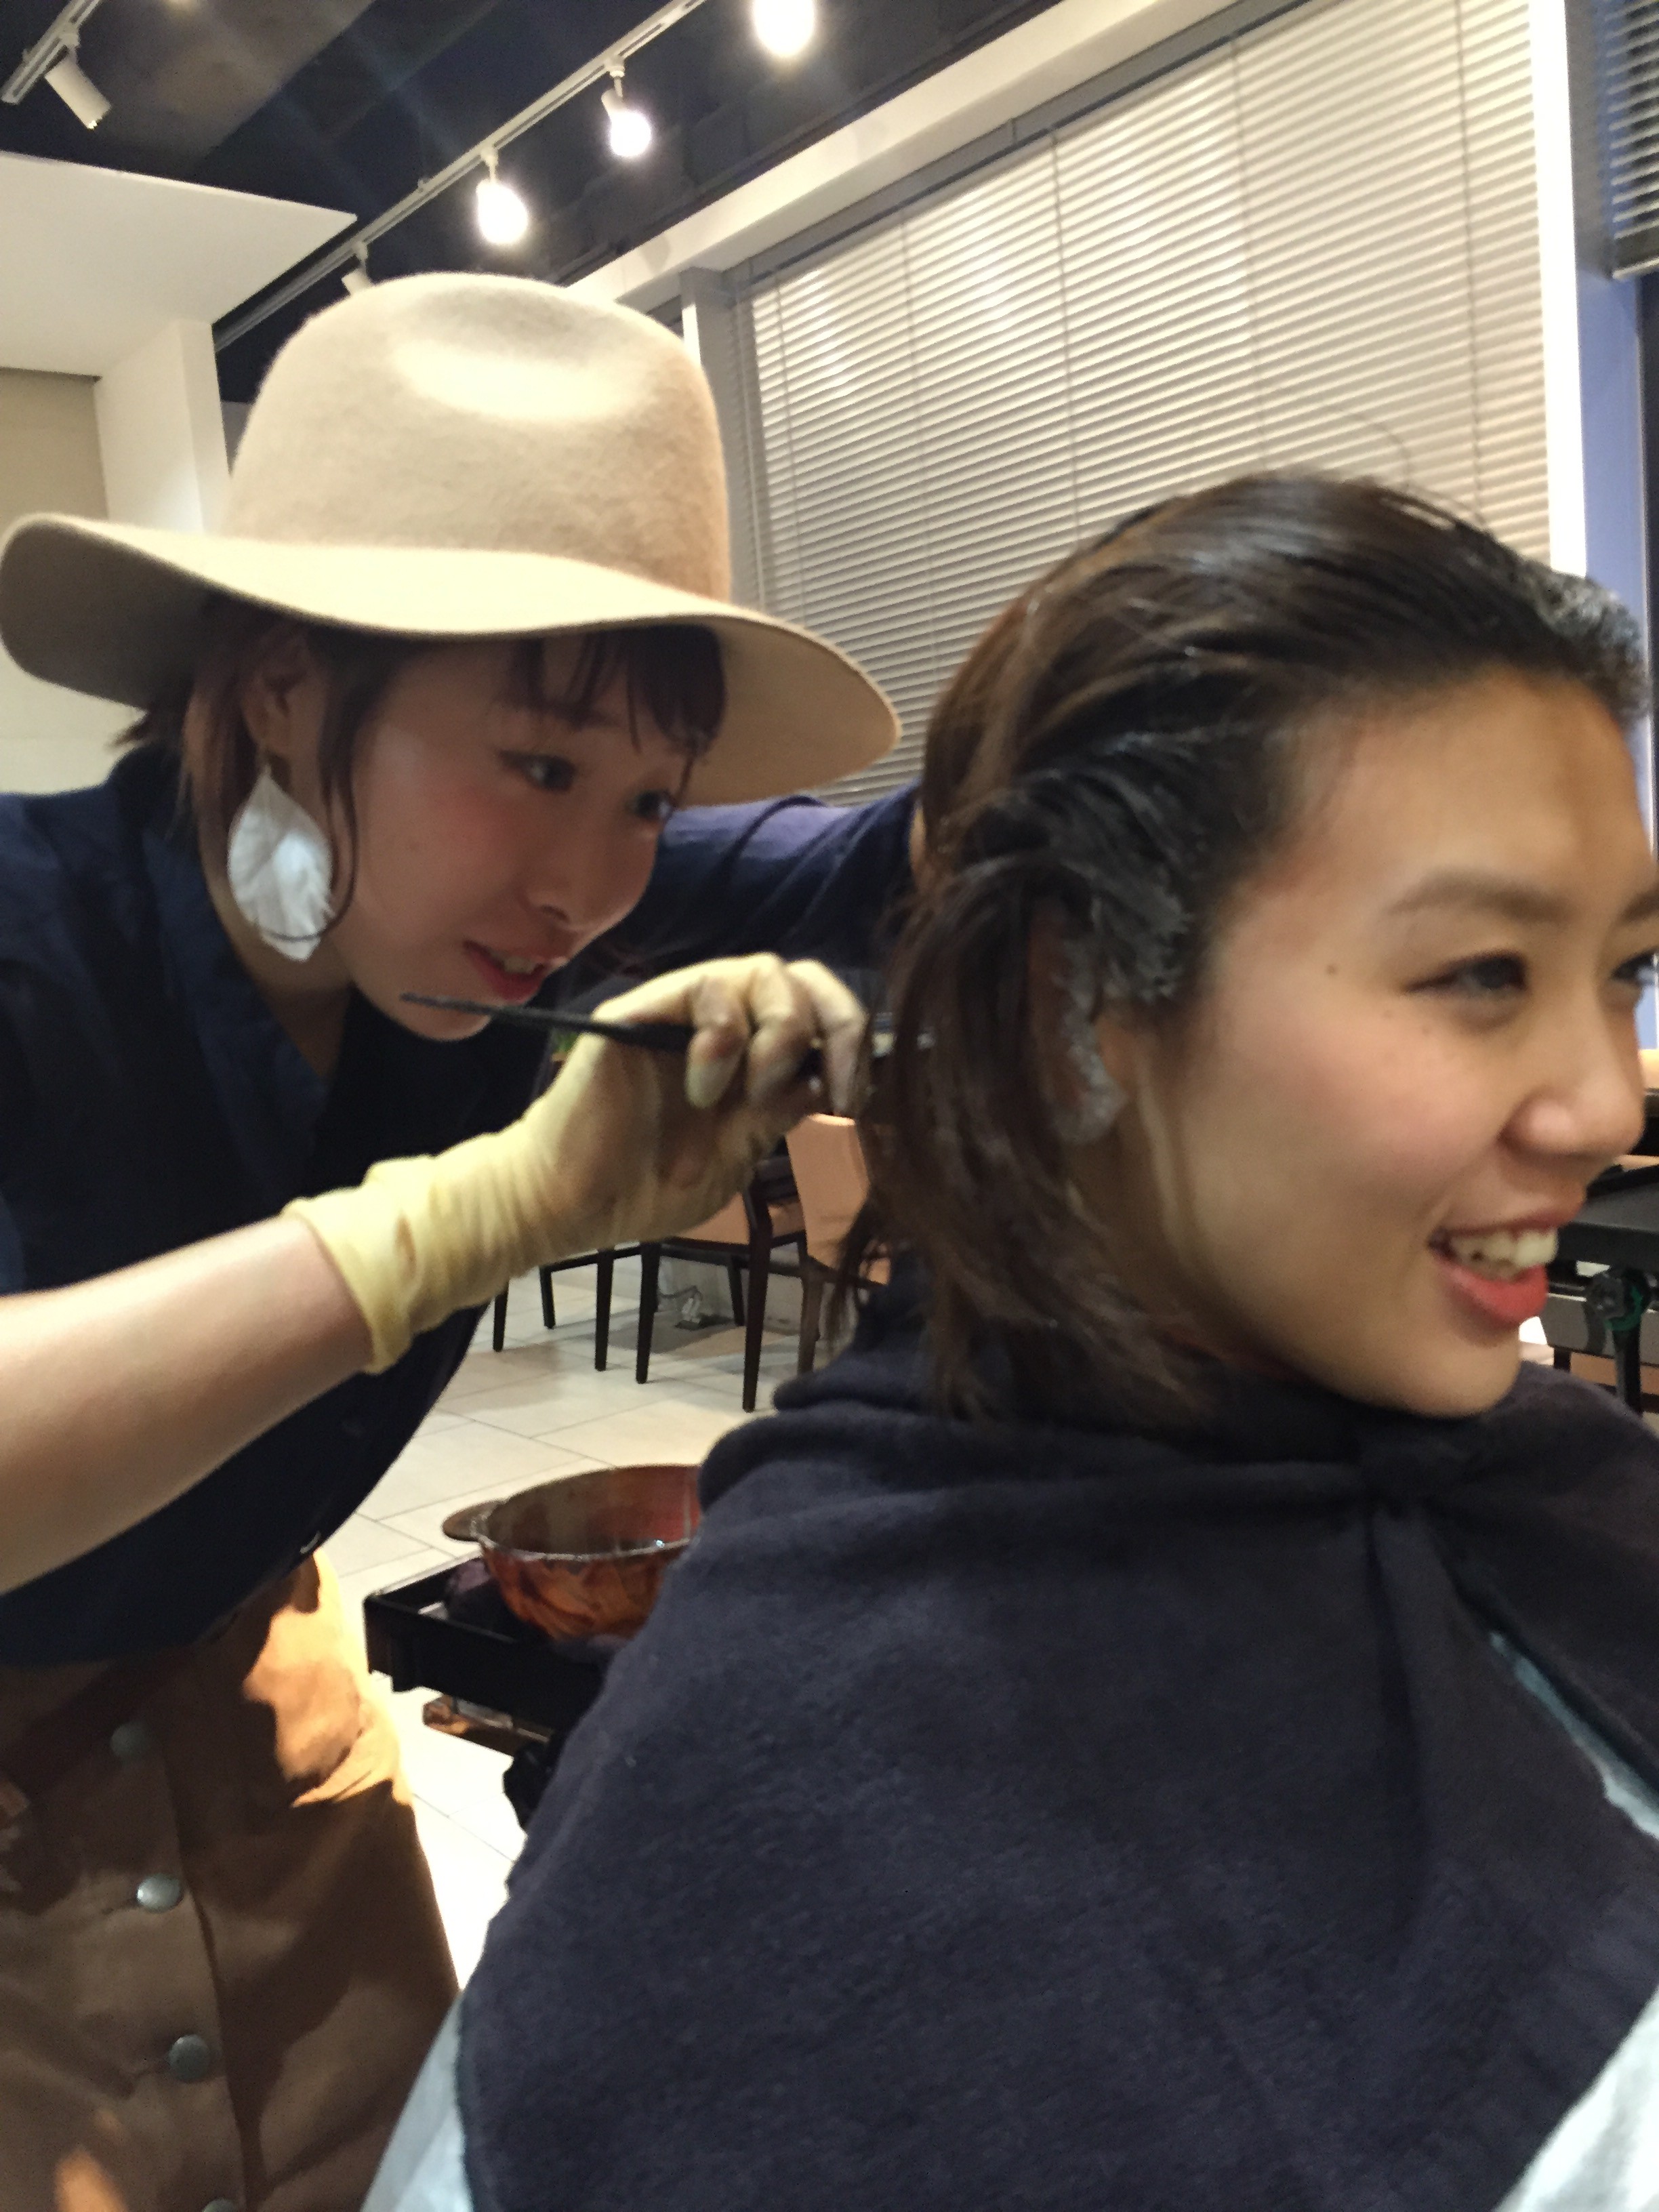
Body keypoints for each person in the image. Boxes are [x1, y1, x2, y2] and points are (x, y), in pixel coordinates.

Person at [416, 476, 1659, 2211]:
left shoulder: (1556, 1481)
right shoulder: (803, 1749)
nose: (1610, 1102)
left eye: (1627, 972)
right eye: (1481, 974)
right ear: (1075, 1009)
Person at [0, 272, 915, 2211]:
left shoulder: (501, 925)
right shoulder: (31, 943)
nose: (588, 886)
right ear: (282, 684)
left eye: (649, 798)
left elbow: (895, 865)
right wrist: (470, 1216)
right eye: (537, 765)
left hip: (270, 1762)